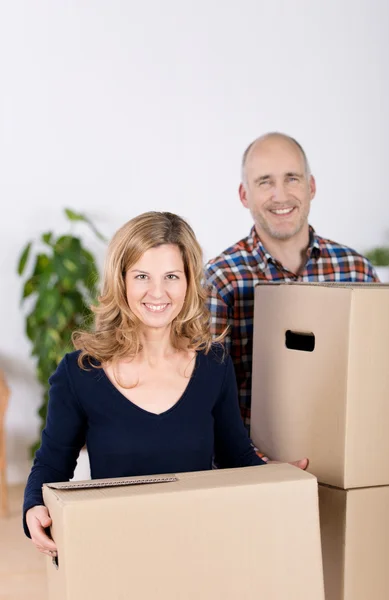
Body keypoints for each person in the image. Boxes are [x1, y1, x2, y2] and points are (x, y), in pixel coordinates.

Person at [23, 211, 308, 557]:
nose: (157, 292)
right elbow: (52, 465)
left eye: (171, 276)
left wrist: (277, 478)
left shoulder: (213, 364)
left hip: (199, 548)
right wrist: (33, 507)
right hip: (117, 553)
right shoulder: (80, 372)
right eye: (142, 276)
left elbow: (236, 456)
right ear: (121, 280)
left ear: (188, 282)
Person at [205, 132, 379, 429]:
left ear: (311, 187)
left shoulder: (357, 271)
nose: (281, 195)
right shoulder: (221, 280)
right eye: (265, 182)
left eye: (292, 178)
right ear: (244, 195)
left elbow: (379, 375)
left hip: (347, 450)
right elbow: (209, 400)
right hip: (255, 464)